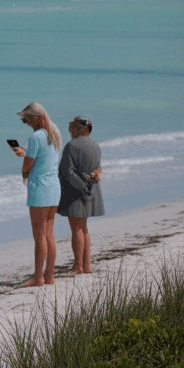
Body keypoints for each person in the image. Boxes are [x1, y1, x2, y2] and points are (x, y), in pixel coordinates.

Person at [11, 103, 62, 288]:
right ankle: (49, 276)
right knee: (49, 234)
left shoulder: (36, 136)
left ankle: (38, 277)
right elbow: (43, 158)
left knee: (39, 235)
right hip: (54, 187)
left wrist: (24, 175)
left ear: (38, 117)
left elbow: (27, 166)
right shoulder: (54, 133)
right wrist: (26, 154)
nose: (27, 123)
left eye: (28, 119)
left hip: (40, 188)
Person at [57, 117, 104, 276]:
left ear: (77, 130)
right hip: (92, 189)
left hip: (76, 192)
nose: (69, 131)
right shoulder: (95, 145)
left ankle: (78, 266)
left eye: (71, 128)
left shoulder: (71, 145)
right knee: (84, 229)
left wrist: (79, 186)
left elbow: (66, 171)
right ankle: (86, 265)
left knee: (76, 228)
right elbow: (98, 168)